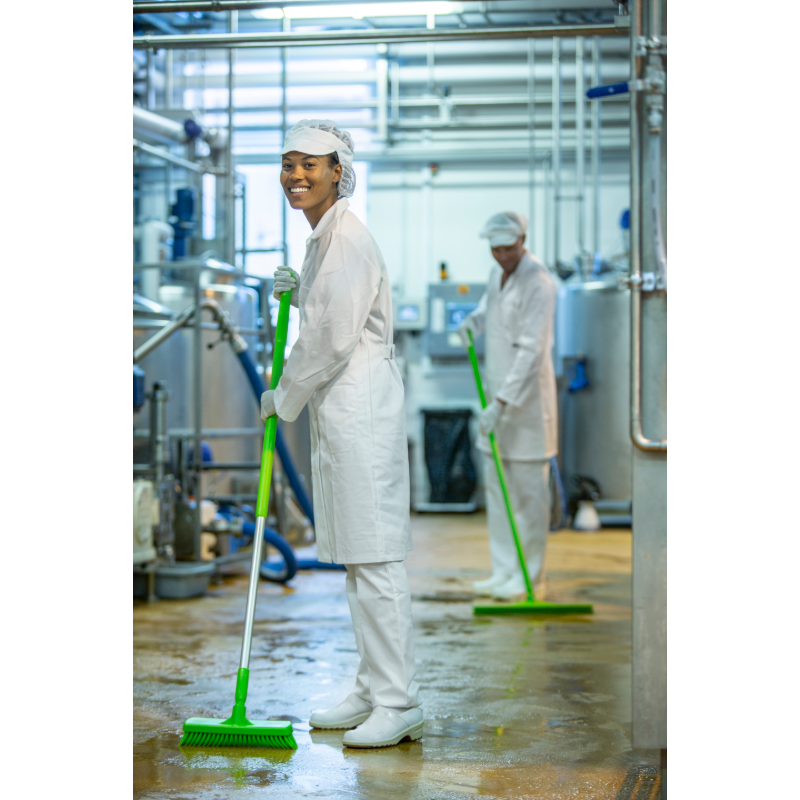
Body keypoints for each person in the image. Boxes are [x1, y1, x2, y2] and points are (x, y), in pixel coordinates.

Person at [260, 120, 422, 749]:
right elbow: (330, 311)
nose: (296, 175)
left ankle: (399, 701)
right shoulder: (324, 238)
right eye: (288, 164)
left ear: (338, 171)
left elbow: (331, 338)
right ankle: (371, 687)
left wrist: (284, 395)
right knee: (359, 561)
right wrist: (300, 291)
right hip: (344, 410)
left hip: (360, 413)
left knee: (375, 560)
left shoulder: (346, 240)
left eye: (310, 164)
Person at [457, 211, 558, 601]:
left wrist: (501, 403)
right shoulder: (497, 275)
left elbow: (532, 352)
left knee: (529, 499)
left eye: (508, 249)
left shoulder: (540, 282)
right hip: (495, 405)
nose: (502, 256)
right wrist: (474, 321)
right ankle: (503, 571)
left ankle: (531, 577)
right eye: (495, 249)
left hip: (526, 410)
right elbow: (490, 308)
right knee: (498, 494)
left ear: (522, 241)